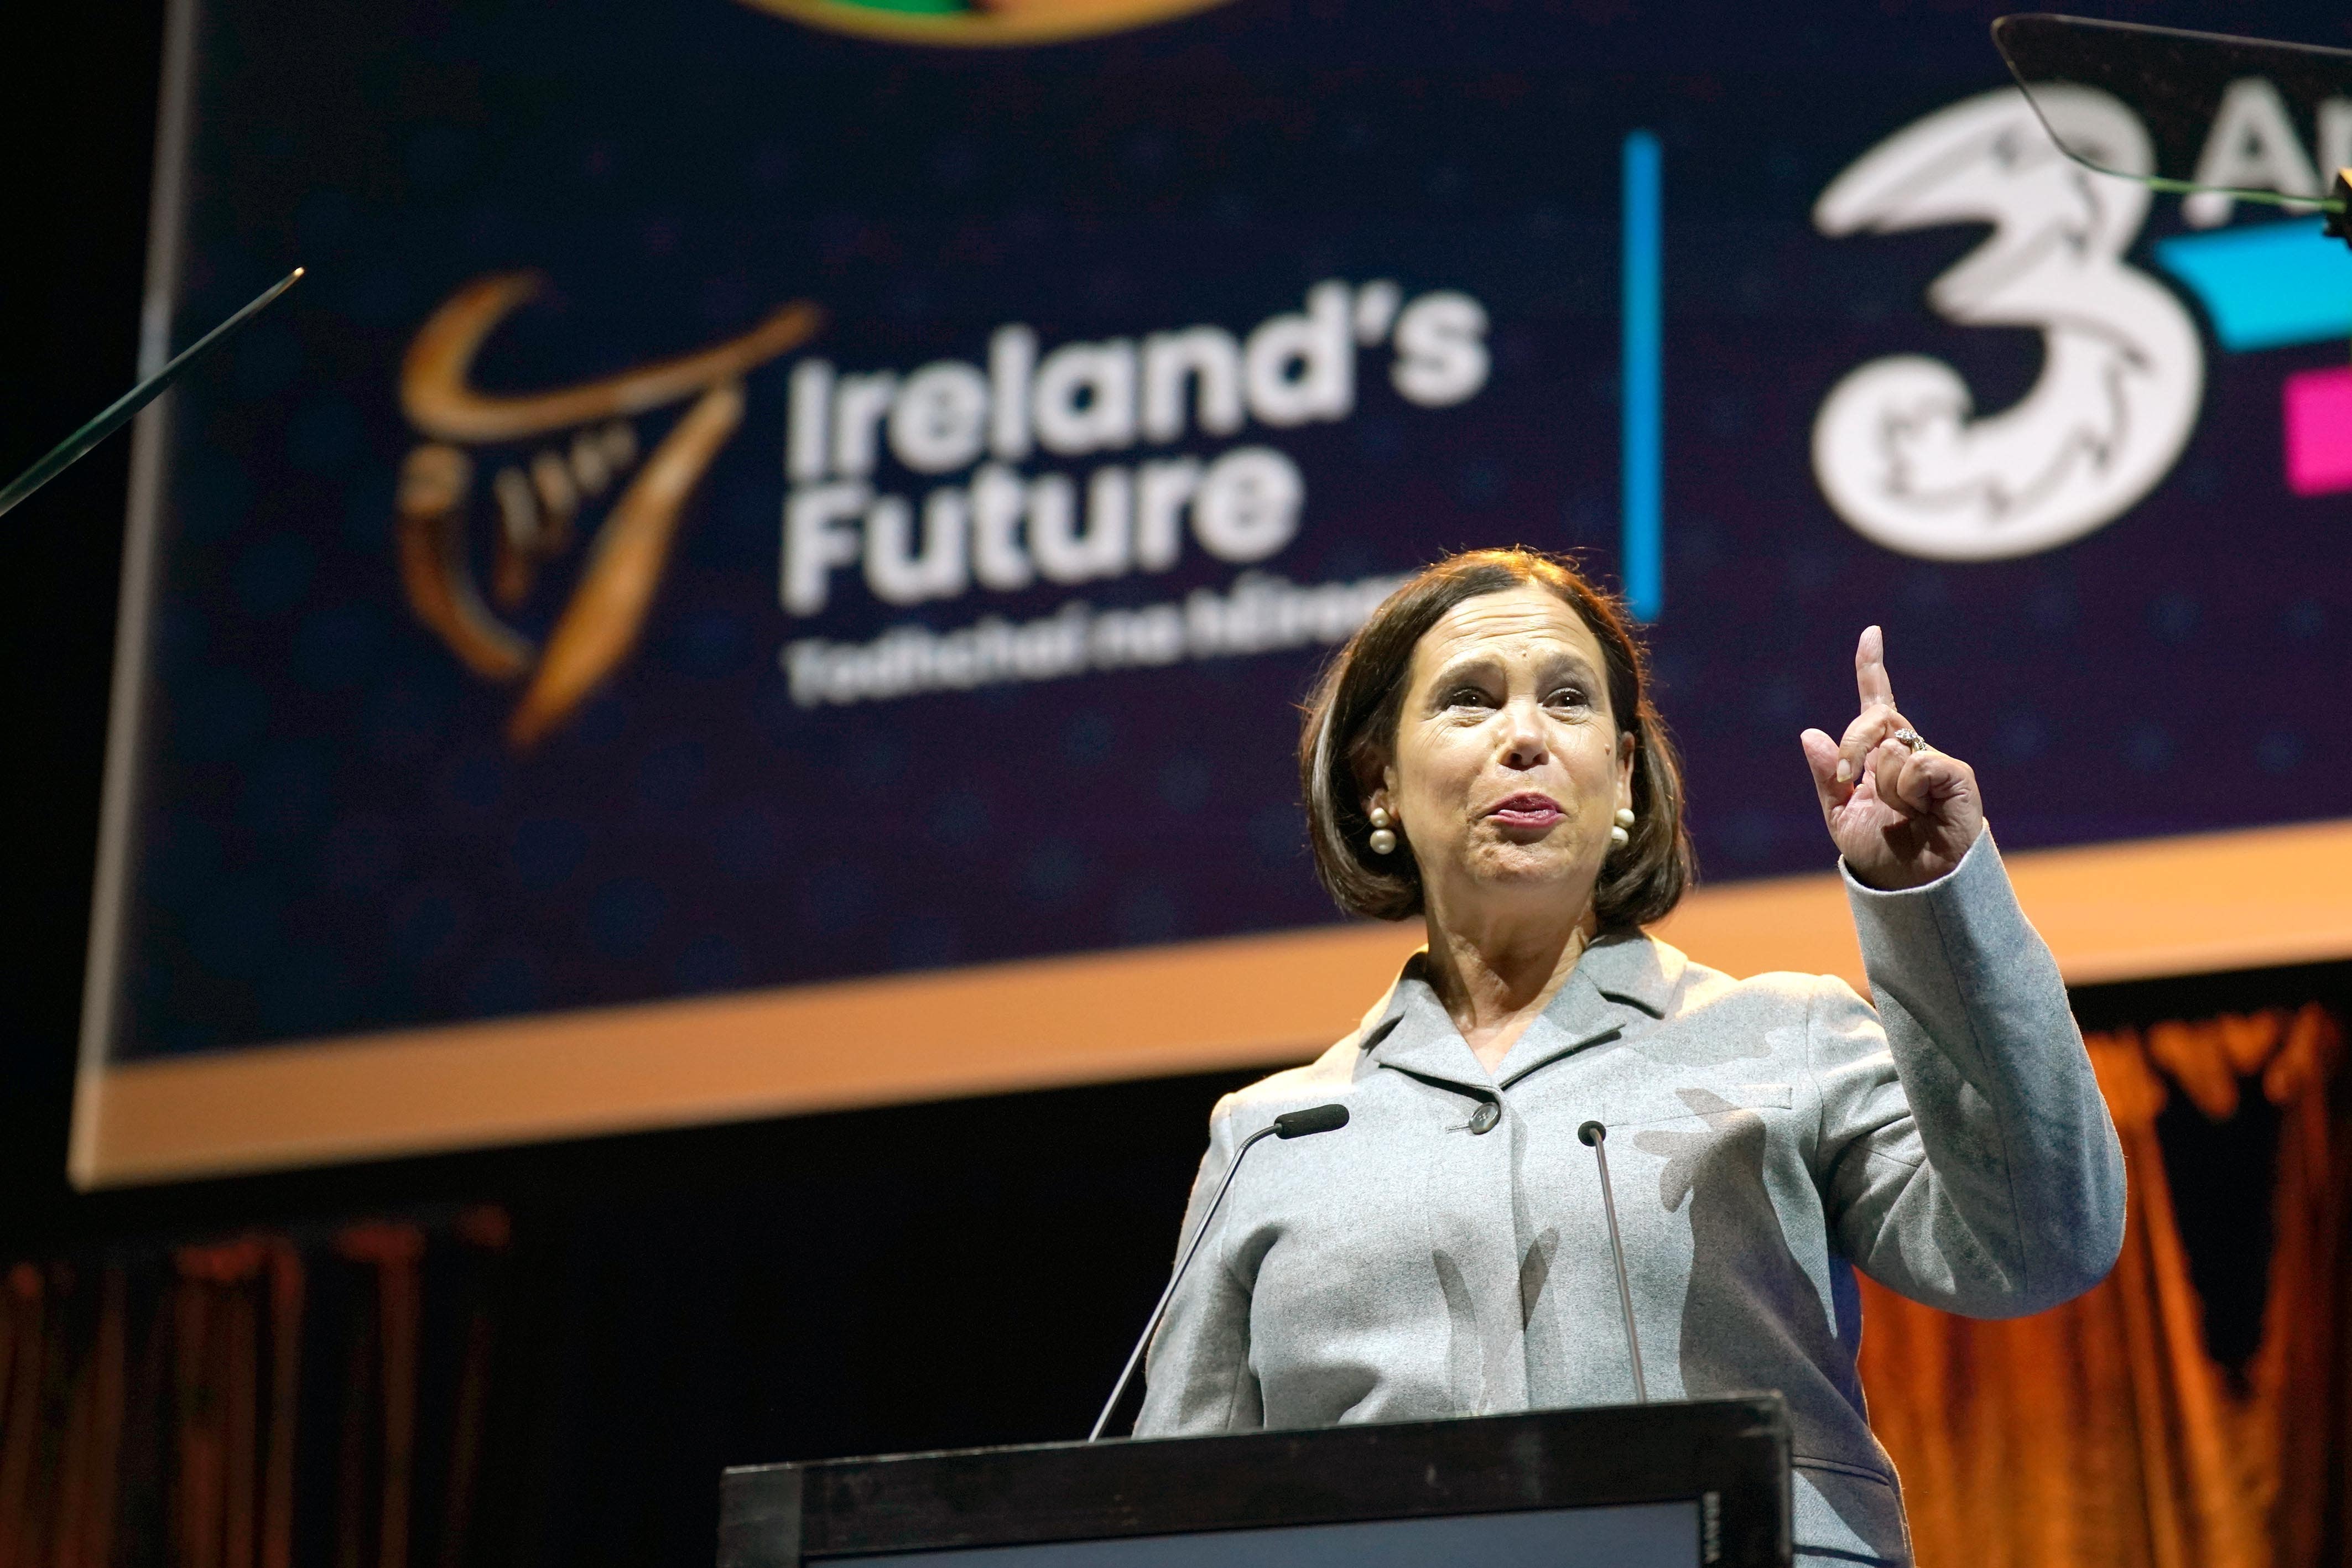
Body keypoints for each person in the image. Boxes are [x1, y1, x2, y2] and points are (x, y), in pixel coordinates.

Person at [1132, 548, 2126, 1568]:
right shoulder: (1274, 1137)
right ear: (1378, 782)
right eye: (1469, 702)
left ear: (1623, 779)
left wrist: (1936, 896)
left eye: (1568, 700)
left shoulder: (1789, 1038)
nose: (1525, 737)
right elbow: (1169, 1518)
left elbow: (2040, 1243)